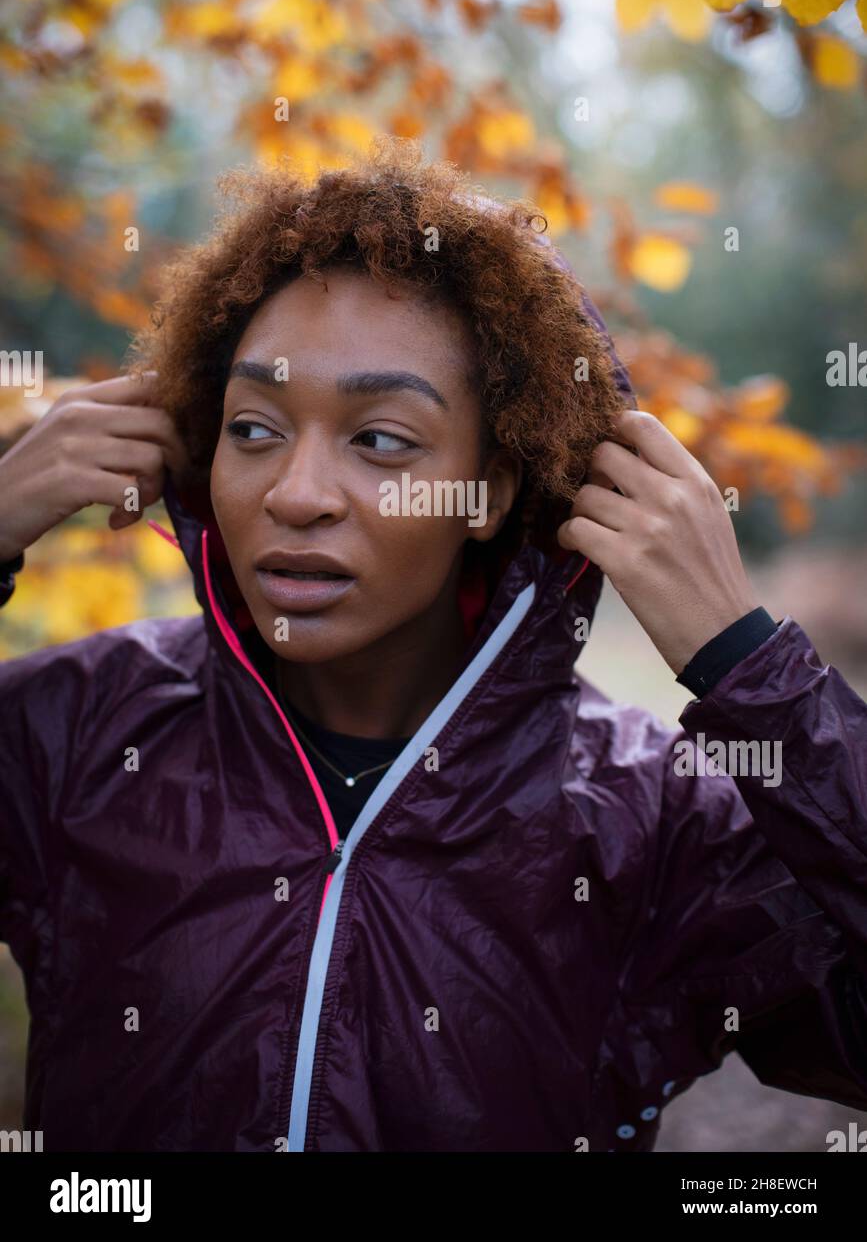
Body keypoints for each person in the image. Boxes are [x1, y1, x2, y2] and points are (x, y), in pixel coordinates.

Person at [0, 138, 865, 1153]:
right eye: (253, 428)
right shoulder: (77, 729)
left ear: (491, 489)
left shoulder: (649, 824)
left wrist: (748, 667)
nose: (296, 493)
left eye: (379, 441)